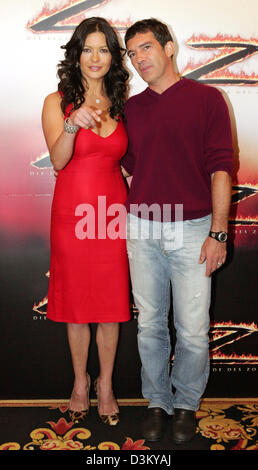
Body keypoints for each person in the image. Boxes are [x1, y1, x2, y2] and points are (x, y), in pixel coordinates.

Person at [121, 18, 233, 443]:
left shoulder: (207, 99)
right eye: (132, 54)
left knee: (190, 327)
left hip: (193, 229)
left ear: (170, 47)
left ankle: (185, 403)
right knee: (149, 323)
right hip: (142, 226)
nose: (139, 60)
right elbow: (129, 164)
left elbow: (222, 168)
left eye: (146, 48)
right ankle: (156, 401)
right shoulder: (132, 107)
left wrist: (219, 233)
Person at [42, 17, 130, 426]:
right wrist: (73, 124)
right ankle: (80, 382)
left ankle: (106, 385)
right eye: (88, 49)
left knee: (111, 307)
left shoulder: (123, 100)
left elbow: (128, 162)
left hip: (113, 215)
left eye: (104, 49)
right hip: (74, 216)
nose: (95, 58)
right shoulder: (56, 102)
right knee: (77, 308)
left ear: (113, 57)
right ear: (76, 55)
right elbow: (59, 161)